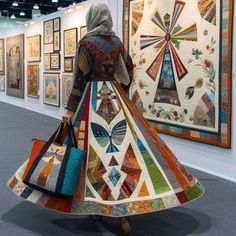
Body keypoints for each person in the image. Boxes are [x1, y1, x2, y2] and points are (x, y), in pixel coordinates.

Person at [7, 3, 204, 236]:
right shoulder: (117, 42)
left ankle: (95, 204)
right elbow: (129, 71)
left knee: (92, 153)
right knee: (123, 153)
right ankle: (125, 215)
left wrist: (70, 110)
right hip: (116, 99)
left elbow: (79, 81)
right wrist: (122, 94)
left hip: (92, 100)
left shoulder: (86, 43)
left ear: (91, 18)